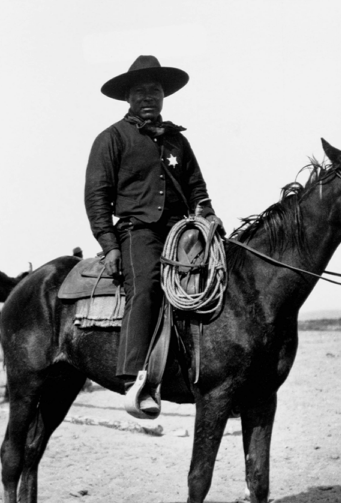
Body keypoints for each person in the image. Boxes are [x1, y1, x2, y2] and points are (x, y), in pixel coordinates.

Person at [84, 55, 224, 417]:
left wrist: (207, 214)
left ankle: (216, 373)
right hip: (137, 230)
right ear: (128, 97)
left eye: (157, 91)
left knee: (216, 280)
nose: (150, 97)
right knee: (144, 287)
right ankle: (135, 380)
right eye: (142, 91)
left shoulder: (177, 140)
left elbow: (197, 188)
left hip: (180, 231)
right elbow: (96, 197)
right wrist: (109, 245)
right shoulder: (111, 139)